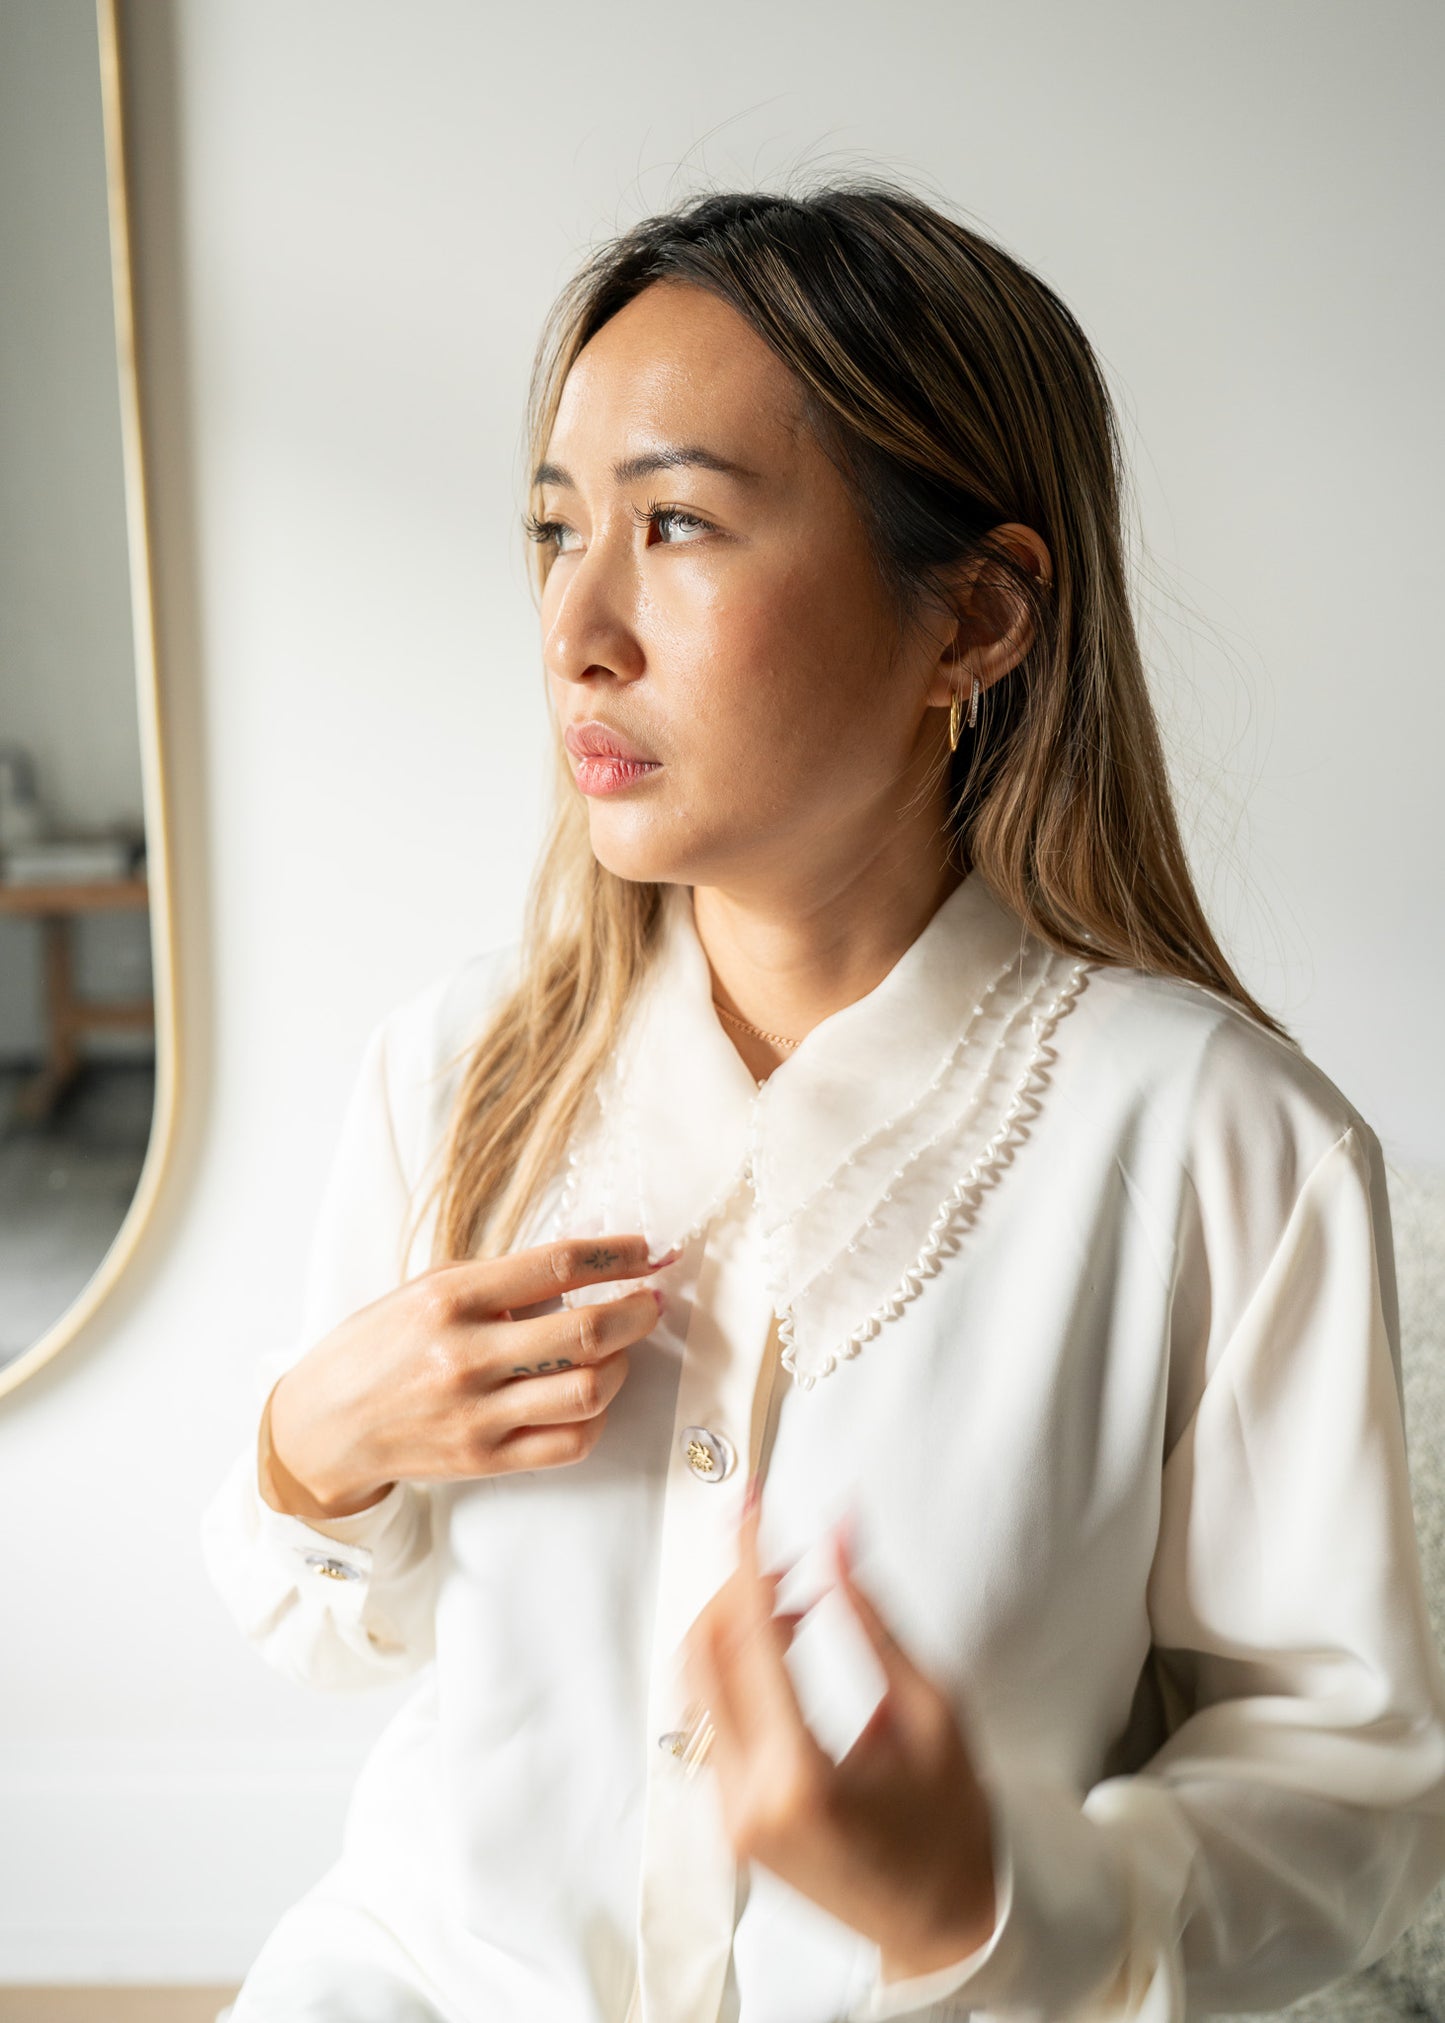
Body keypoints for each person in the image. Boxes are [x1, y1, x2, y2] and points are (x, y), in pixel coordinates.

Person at [202, 177, 1445, 2023]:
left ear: (976, 620)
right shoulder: (454, 1071)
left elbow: (1350, 1799)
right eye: (555, 532)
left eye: (679, 524)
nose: (576, 630)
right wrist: (318, 1440)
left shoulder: (1220, 1148)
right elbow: (320, 1624)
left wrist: (995, 1900)